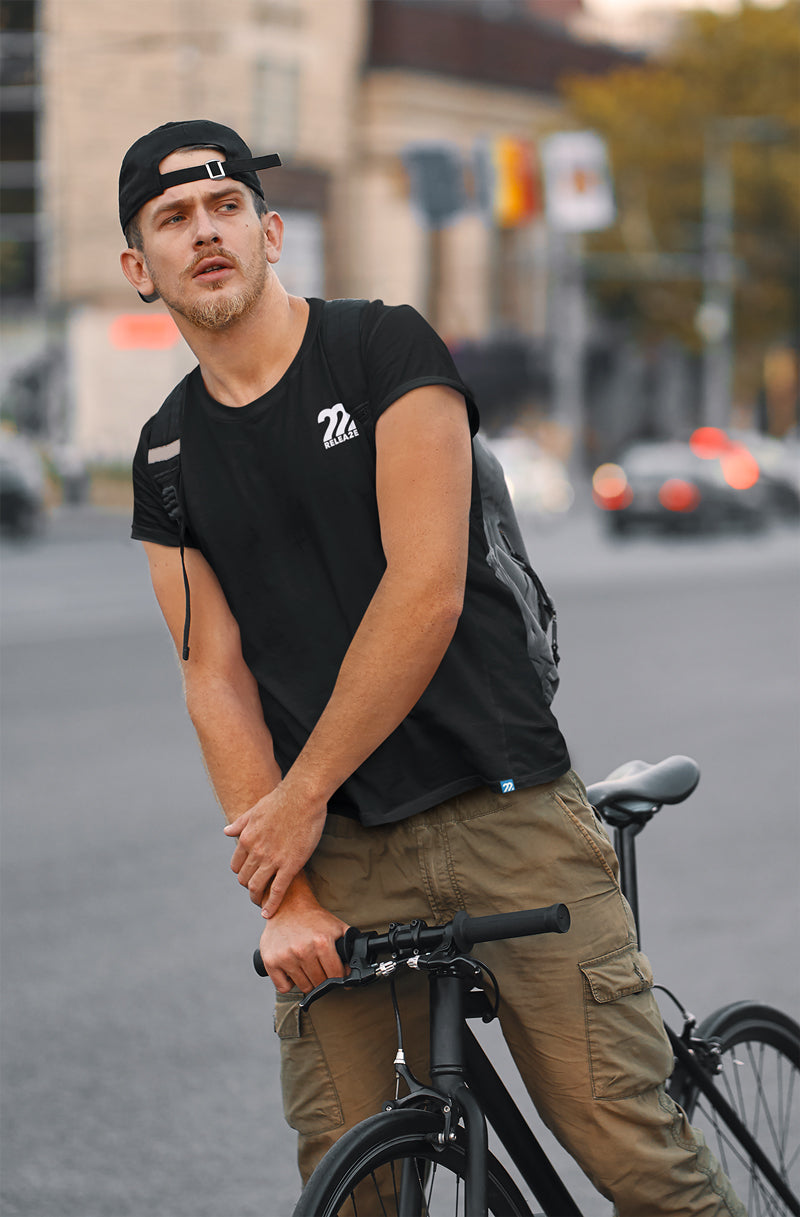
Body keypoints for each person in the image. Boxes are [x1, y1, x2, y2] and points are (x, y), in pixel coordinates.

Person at [120, 120, 743, 1216]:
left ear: (270, 232)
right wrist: (290, 894)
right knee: (350, 1175)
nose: (204, 233)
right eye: (172, 220)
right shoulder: (167, 454)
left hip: (502, 806)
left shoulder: (382, 350)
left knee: (632, 1158)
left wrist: (295, 796)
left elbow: (427, 586)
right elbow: (210, 672)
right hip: (345, 852)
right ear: (140, 267)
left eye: (223, 208)